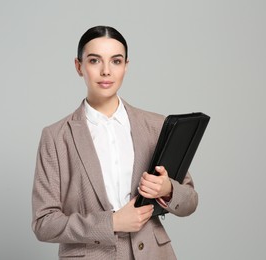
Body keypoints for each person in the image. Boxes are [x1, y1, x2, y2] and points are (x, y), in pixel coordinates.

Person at [32, 25, 198, 260]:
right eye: (94, 61)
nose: (106, 71)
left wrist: (168, 190)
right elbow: (43, 222)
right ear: (79, 67)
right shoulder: (56, 136)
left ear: (126, 66)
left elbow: (190, 200)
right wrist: (111, 222)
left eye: (116, 61)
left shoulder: (156, 126)